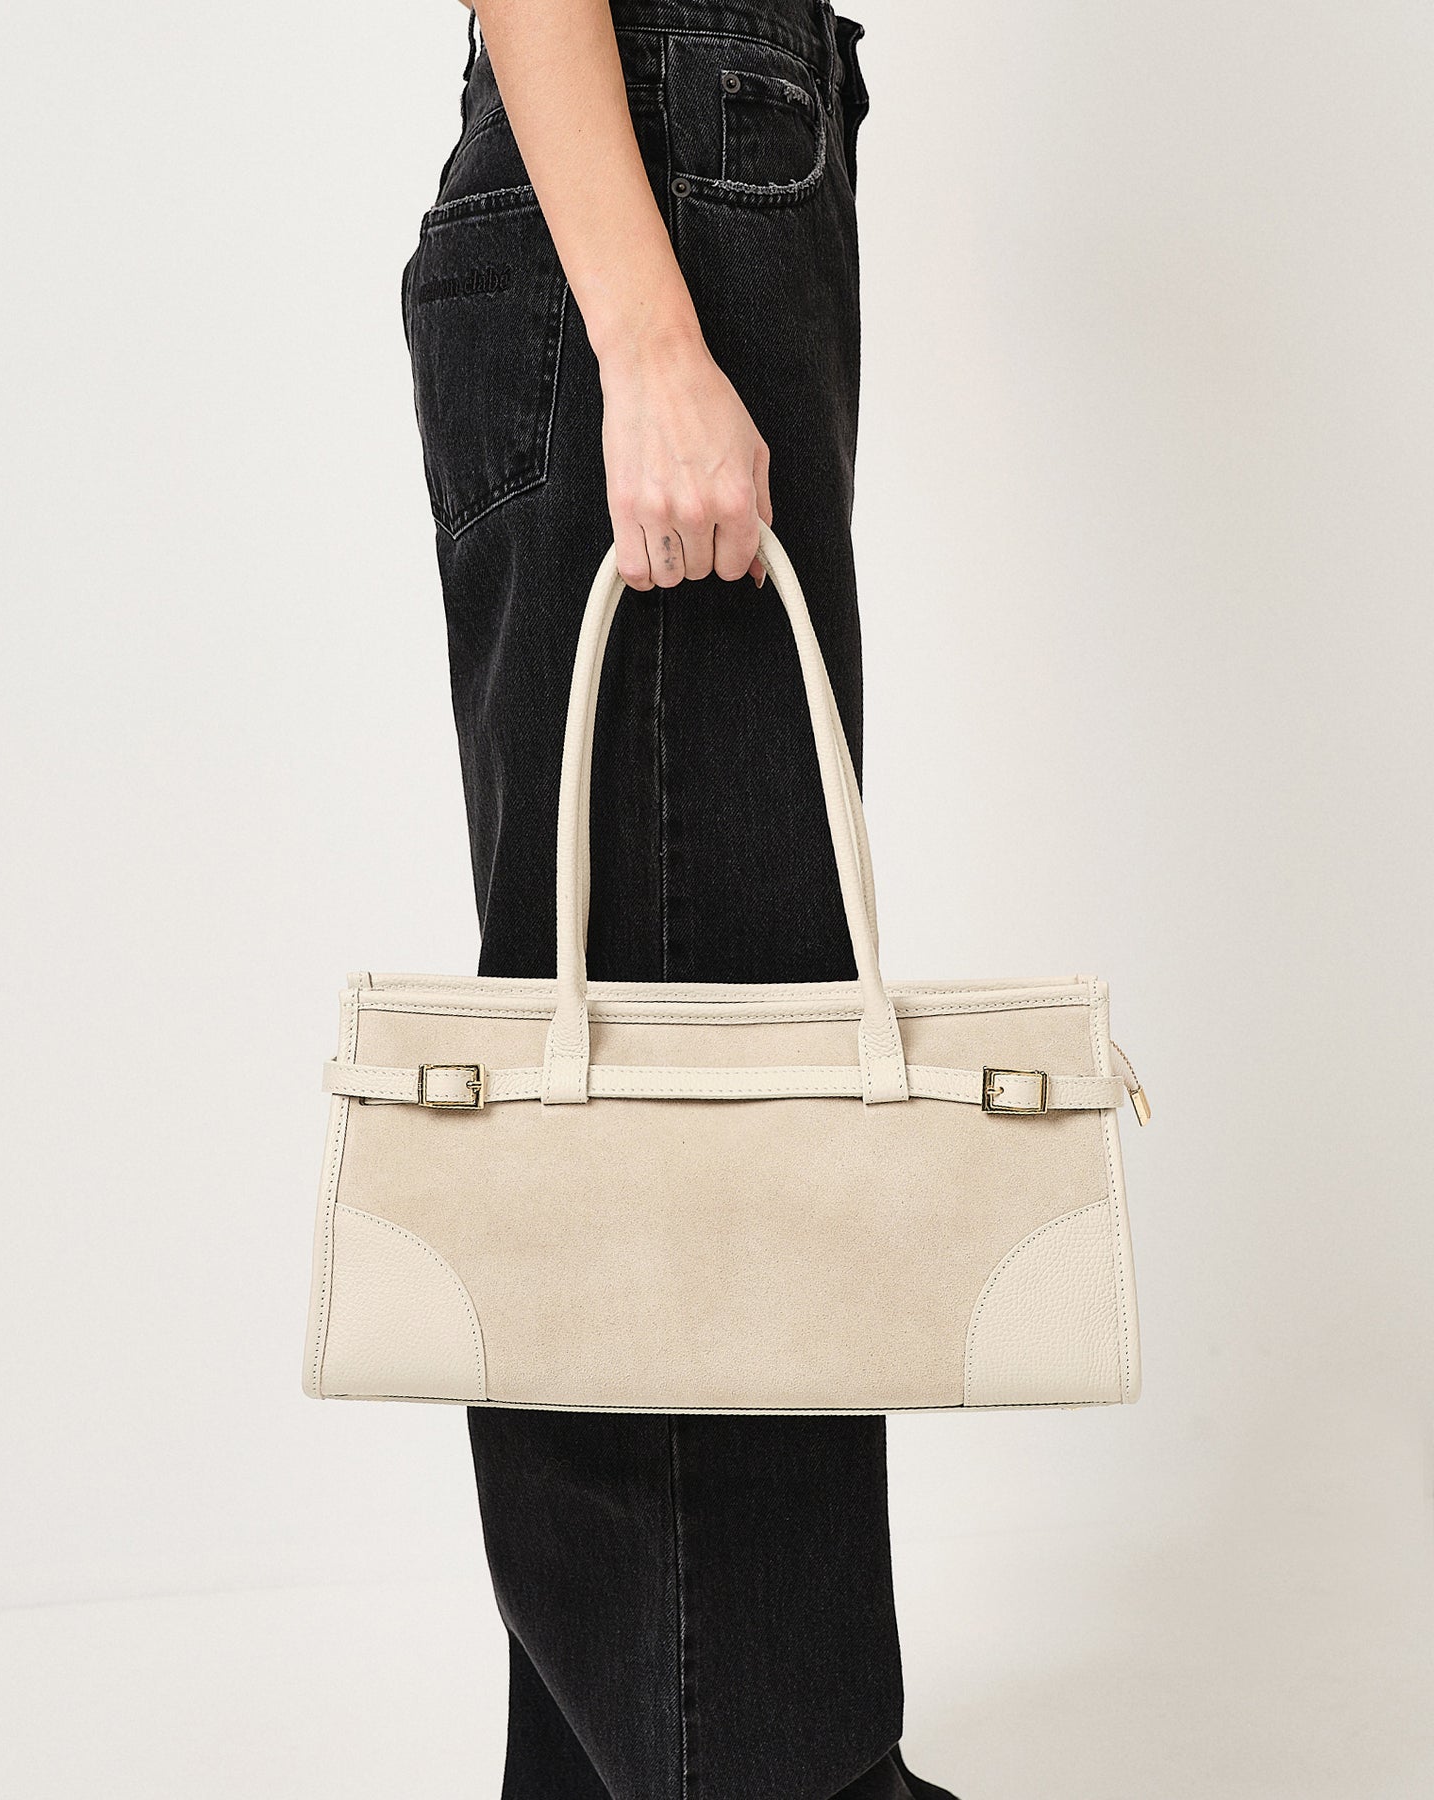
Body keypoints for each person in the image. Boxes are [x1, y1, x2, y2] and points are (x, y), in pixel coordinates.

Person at [401, 3, 956, 1795]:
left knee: (671, 1065)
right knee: (701, 1106)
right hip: (660, 172)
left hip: (685, 161)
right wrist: (649, 340)